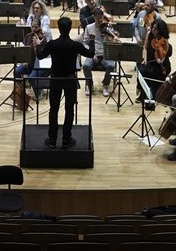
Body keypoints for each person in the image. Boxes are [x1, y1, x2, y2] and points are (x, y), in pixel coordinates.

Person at [38, 16, 94, 149]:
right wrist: (92, 40)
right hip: (70, 79)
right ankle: (66, 139)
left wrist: (38, 45)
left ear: (58, 28)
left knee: (54, 109)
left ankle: (52, 139)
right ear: (70, 29)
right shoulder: (75, 45)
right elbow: (91, 54)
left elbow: (40, 55)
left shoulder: (52, 44)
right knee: (69, 109)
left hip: (55, 79)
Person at [83, 9, 119, 98]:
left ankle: (105, 85)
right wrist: (91, 53)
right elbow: (85, 43)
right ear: (94, 18)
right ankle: (89, 84)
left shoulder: (108, 27)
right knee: (86, 66)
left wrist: (114, 38)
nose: (99, 20)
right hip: (93, 54)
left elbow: (113, 39)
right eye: (97, 18)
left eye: (101, 18)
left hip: (105, 54)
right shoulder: (89, 27)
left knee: (111, 66)